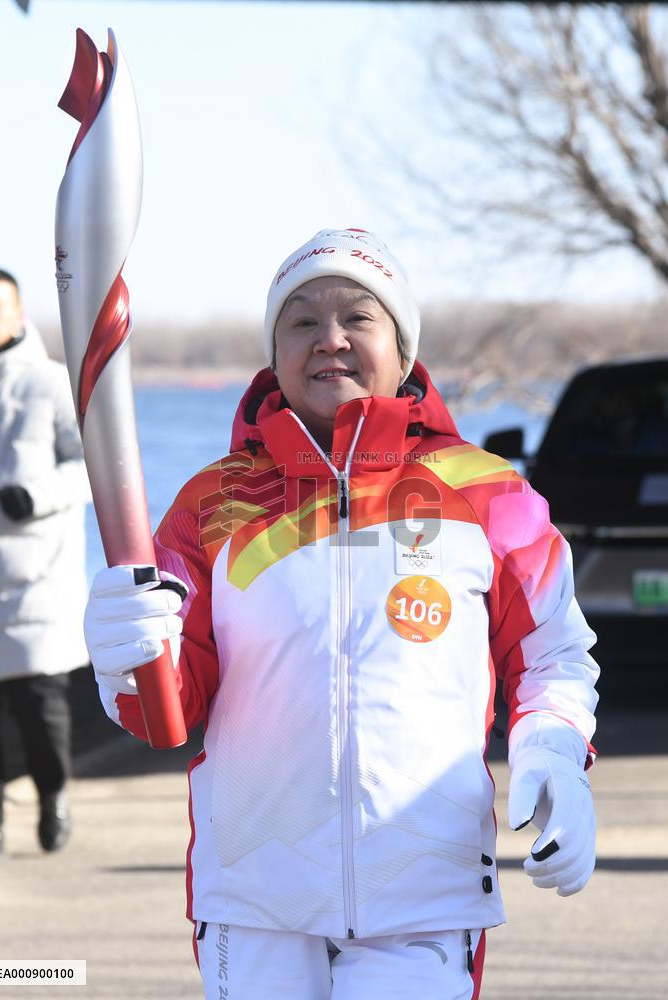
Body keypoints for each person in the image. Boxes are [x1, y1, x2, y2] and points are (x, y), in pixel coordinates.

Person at [84, 229, 599, 999]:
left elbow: (552, 654)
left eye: (358, 317)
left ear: (401, 345)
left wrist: (556, 752)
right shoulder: (211, 504)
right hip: (254, 900)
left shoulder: (488, 493)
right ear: (274, 353)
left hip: (425, 890)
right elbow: (166, 713)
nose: (329, 340)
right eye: (301, 322)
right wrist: (124, 658)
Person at [0, 267, 90, 868]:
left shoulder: (51, 384)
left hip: (35, 584)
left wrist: (36, 495)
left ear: (18, 313)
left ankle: (53, 796)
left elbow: (92, 468)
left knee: (40, 708)